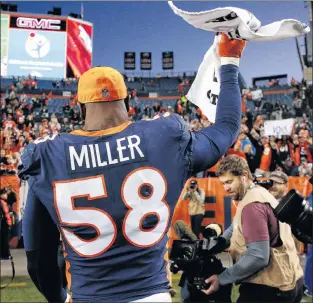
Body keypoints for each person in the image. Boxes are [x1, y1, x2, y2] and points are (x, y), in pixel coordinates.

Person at [19, 34, 245, 303]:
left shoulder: (47, 155)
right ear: (128, 102)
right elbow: (227, 128)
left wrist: (60, 297)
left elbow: (38, 260)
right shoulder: (164, 136)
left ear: (80, 108)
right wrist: (229, 61)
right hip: (153, 295)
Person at [202, 155, 304, 303]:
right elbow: (237, 223)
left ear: (244, 176)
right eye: (223, 183)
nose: (226, 188)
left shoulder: (252, 206)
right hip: (290, 279)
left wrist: (223, 278)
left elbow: (258, 257)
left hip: (271, 287)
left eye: (229, 182)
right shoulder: (257, 192)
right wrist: (223, 240)